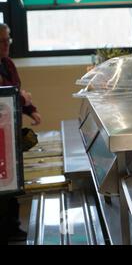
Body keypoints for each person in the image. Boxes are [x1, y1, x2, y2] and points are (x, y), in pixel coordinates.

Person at [0, 23, 41, 243]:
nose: (7, 45)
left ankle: (12, 227)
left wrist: (31, 110)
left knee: (13, 181)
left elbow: (15, 91)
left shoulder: (8, 64)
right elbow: (7, 94)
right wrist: (21, 97)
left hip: (10, 131)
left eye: (9, 40)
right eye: (2, 41)